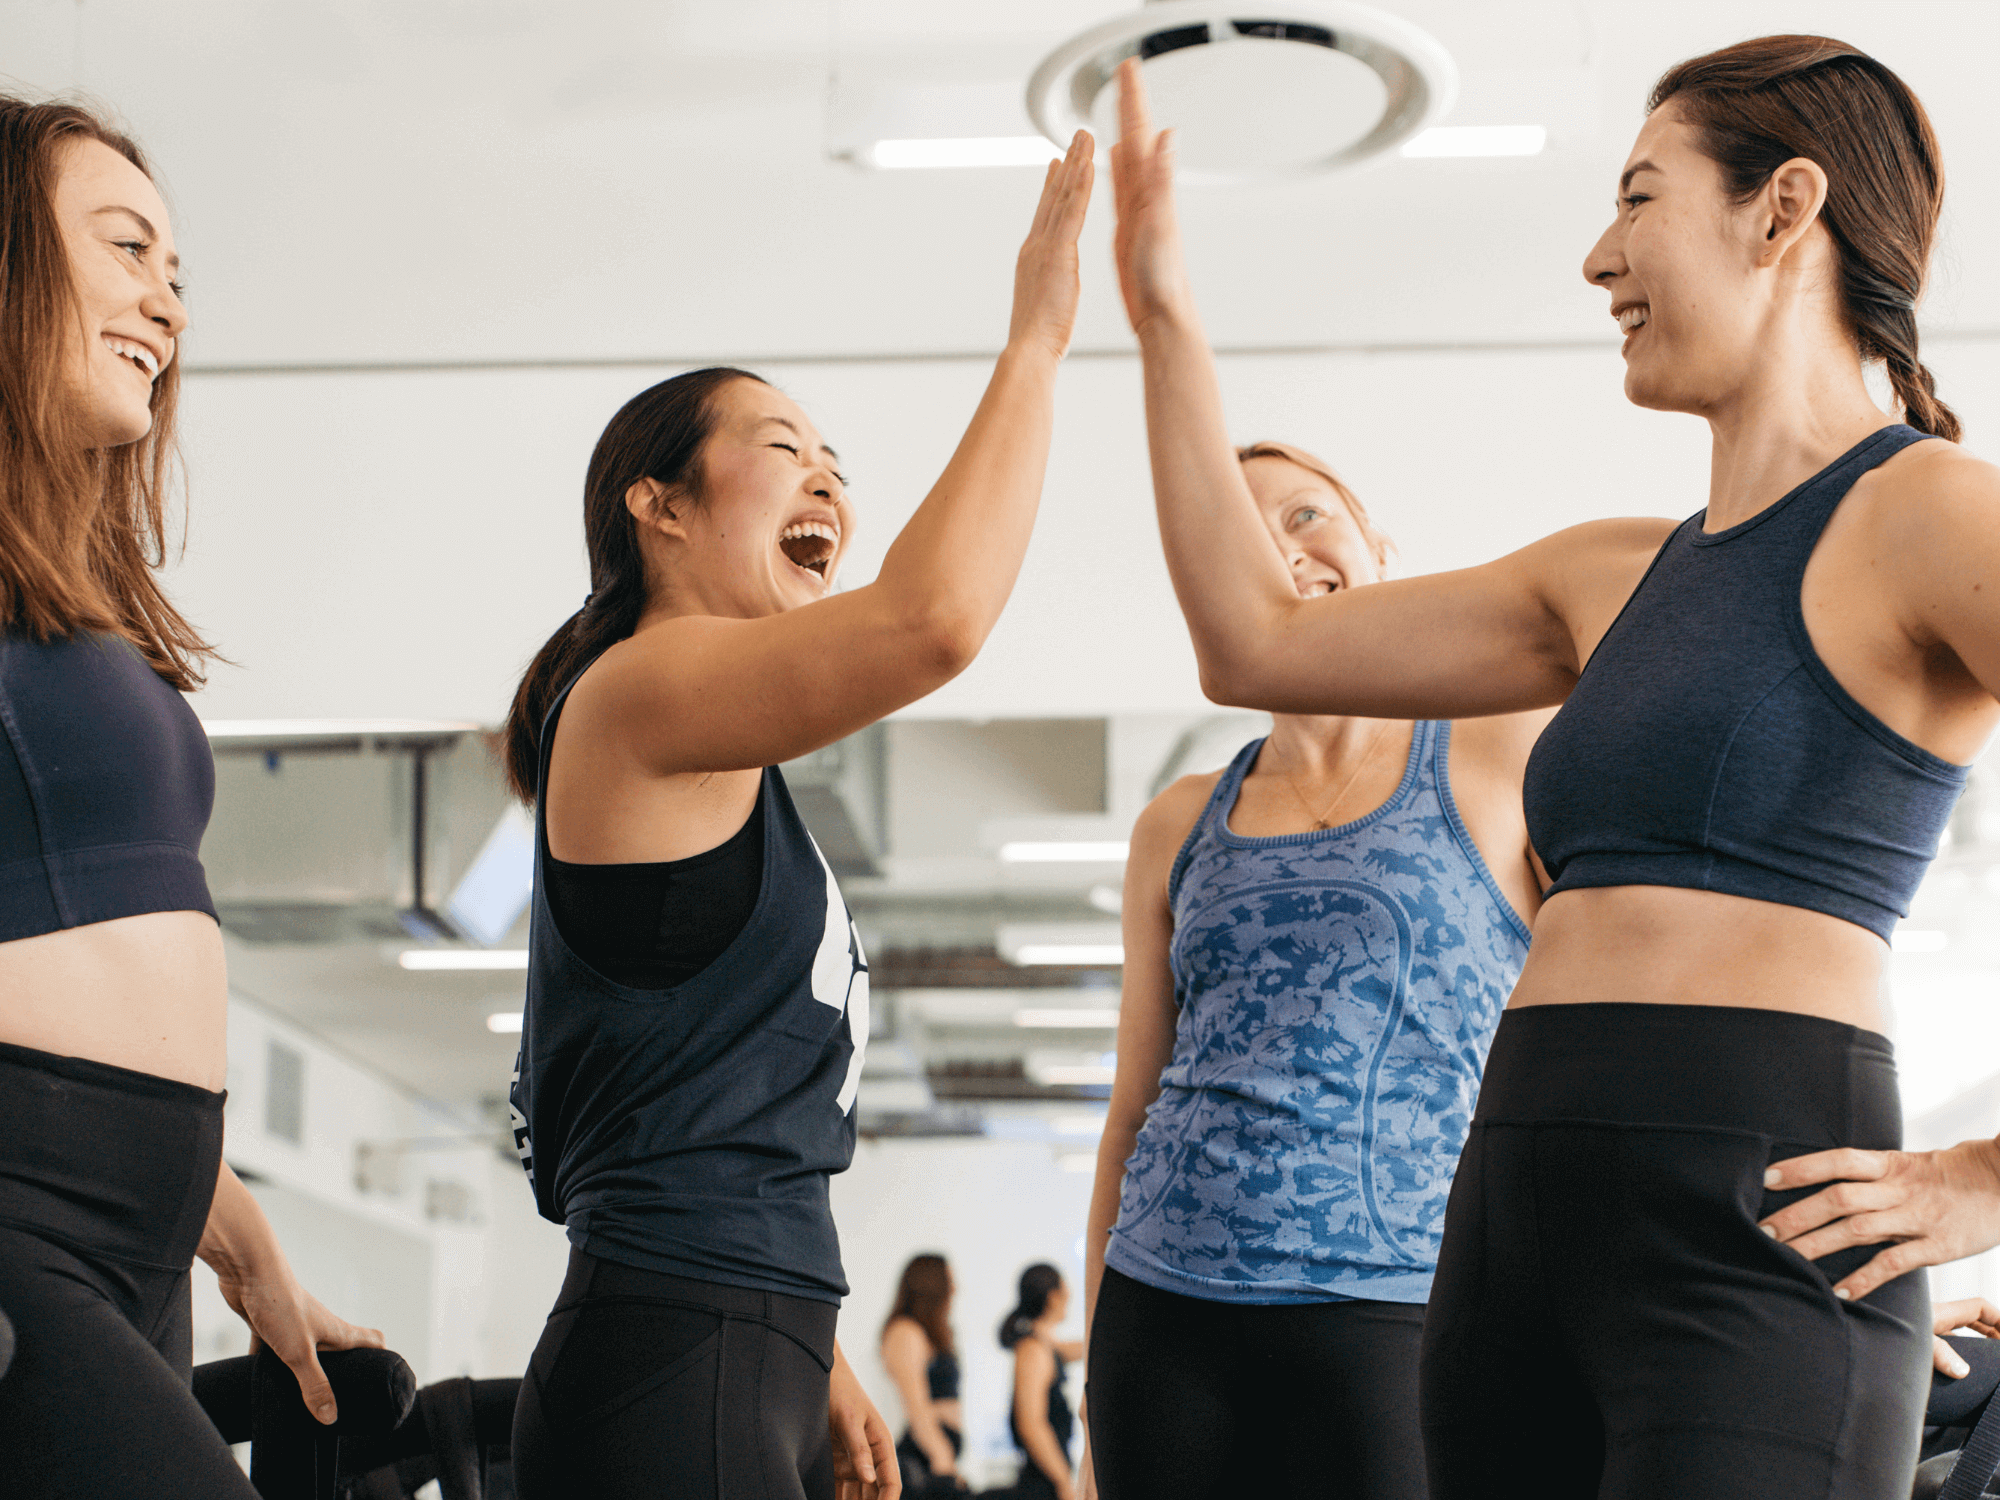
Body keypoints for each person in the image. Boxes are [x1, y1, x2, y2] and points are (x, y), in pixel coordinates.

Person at [1108, 33, 2000, 1497]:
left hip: (1755, 1228)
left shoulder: (1932, 515)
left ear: (1782, 209)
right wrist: (1163, 319)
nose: (1598, 257)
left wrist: (1984, 1178)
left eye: (1638, 197)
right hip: (1510, 1231)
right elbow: (1253, 643)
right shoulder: (1609, 576)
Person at [503, 130, 1095, 1500]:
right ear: (659, 506)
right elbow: (934, 620)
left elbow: (708, 1104)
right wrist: (1036, 342)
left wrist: (812, 1341)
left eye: (836, 459)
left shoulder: (724, 762)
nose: (827, 478)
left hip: (739, 1339)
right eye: (783, 450)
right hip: (673, 1349)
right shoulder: (634, 696)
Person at [0, 97, 382, 1497]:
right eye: (126, 247)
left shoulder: (70, 608)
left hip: (141, 1237)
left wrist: (247, 1246)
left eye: (177, 272)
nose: (168, 302)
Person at [1080, 442, 1545, 1500]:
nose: (1282, 552)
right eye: (1242, 537)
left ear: (1375, 546)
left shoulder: (1499, 752)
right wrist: (1090, 1397)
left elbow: (1640, 1006)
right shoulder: (1177, 820)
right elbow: (1131, 1112)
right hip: (1161, 1313)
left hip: (1397, 1306)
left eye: (1304, 516)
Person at [881, 1254, 967, 1495]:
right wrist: (942, 1457)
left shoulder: (932, 1334)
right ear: (931, 1286)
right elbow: (916, 1405)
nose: (955, 1289)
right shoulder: (905, 1331)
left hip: (934, 1456)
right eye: (949, 1281)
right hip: (922, 1458)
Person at [1002, 1264, 1083, 1500]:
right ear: (1053, 1297)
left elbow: (1071, 1350)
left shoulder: (1045, 1346)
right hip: (1043, 1485)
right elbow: (1031, 1424)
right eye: (1065, 1290)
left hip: (1047, 1480)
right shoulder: (1033, 1351)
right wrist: (1063, 1481)